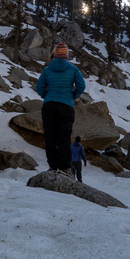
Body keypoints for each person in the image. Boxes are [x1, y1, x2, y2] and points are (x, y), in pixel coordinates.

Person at [36, 42, 86, 175]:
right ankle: (65, 167)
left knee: (50, 136)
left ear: (55, 55)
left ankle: (52, 166)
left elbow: (39, 87)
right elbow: (81, 85)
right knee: (64, 137)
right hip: (66, 106)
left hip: (49, 105)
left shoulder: (47, 69)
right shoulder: (73, 69)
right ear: (66, 56)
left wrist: (47, 96)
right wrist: (73, 95)